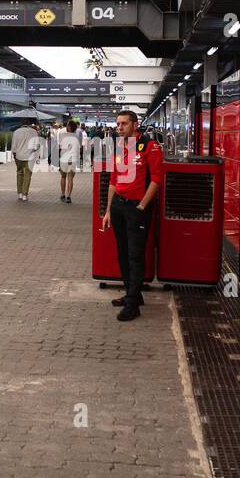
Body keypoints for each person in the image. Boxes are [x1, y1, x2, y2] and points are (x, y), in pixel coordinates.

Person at [100, 110, 164, 321]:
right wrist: (108, 210)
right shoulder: (120, 146)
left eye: (124, 124)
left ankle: (133, 305)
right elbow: (113, 181)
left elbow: (156, 180)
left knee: (135, 255)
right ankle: (132, 295)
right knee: (123, 253)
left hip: (137, 209)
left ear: (135, 125)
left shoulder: (150, 146)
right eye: (118, 124)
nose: (119, 128)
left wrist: (142, 206)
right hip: (119, 206)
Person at [11, 119, 39, 201]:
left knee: (19, 173)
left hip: (18, 156)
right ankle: (24, 194)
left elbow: (14, 146)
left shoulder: (16, 132)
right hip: (30, 156)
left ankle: (19, 193)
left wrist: (14, 154)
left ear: (21, 123)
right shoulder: (34, 132)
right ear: (29, 123)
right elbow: (36, 146)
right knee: (28, 175)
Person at [58, 120, 82, 203]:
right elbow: (78, 149)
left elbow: (60, 147)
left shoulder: (63, 136)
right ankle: (69, 196)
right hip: (73, 159)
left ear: (68, 127)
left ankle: (62, 194)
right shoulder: (77, 137)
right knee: (70, 178)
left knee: (63, 177)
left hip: (64, 159)